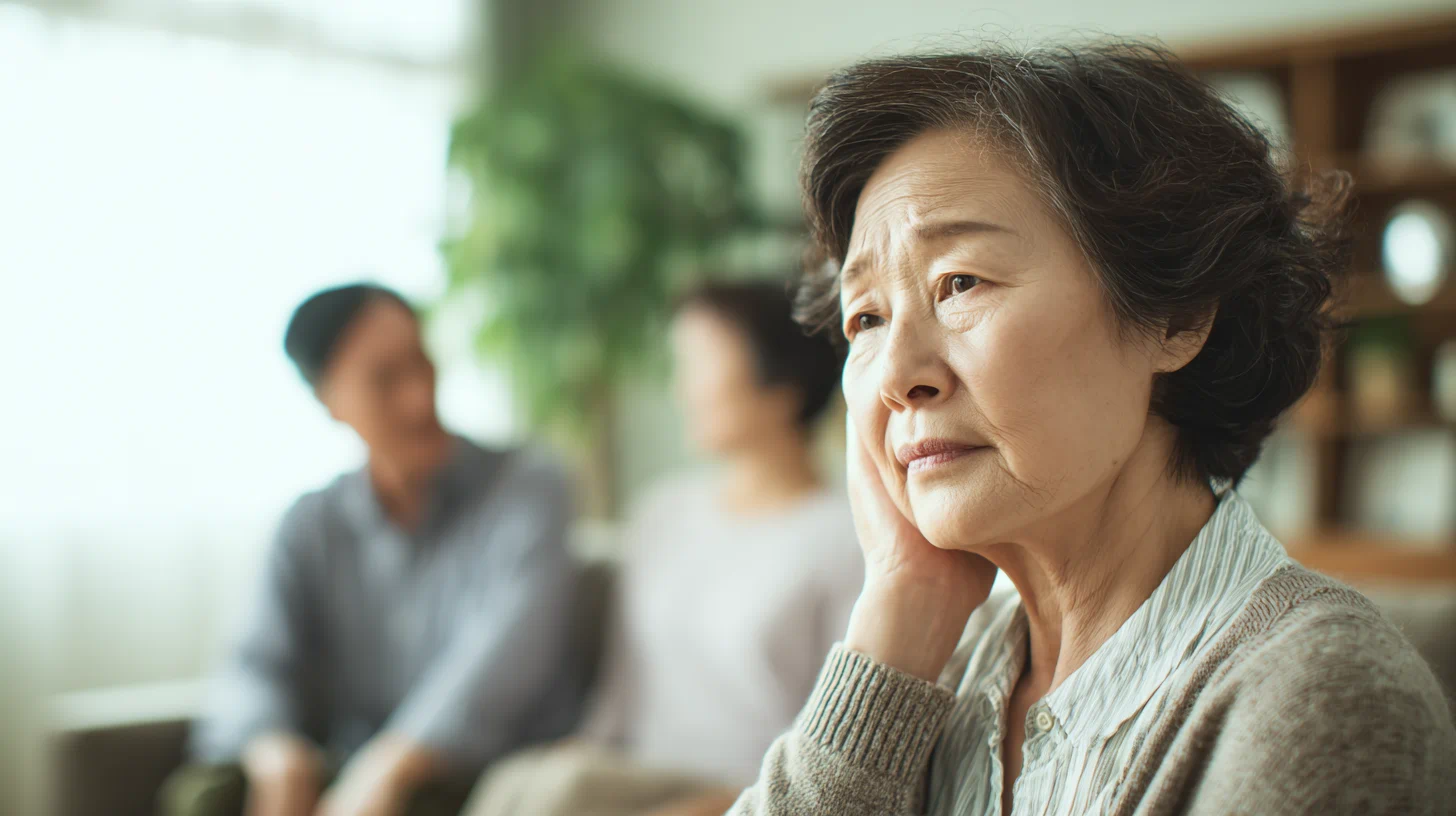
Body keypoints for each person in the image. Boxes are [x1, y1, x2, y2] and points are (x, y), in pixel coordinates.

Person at [726, 42, 1456, 816]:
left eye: (960, 282)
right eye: (866, 317)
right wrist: (898, 610)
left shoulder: (1319, 698)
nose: (899, 374)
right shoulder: (925, 679)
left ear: (1175, 315)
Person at [160, 284, 583, 816]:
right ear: (328, 400)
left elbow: (504, 656)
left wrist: (393, 763)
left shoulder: (527, 486)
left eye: (422, 364)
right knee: (204, 796)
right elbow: (253, 664)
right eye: (384, 380)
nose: (418, 398)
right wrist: (275, 752)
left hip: (479, 772)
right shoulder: (309, 526)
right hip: (351, 767)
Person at [466, 281, 863, 816]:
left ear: (781, 381)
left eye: (698, 364)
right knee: (523, 783)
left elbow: (840, 743)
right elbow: (619, 700)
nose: (682, 390)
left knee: (563, 792)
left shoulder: (845, 538)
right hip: (627, 779)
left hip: (753, 792)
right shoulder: (662, 515)